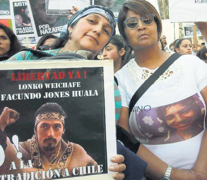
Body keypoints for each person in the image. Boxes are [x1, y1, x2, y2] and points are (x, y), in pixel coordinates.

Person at [7, 5, 148, 180]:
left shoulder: (106, 82)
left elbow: (103, 137)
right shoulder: (25, 59)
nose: (97, 30)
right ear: (71, 27)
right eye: (91, 21)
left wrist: (109, 164)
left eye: (106, 31)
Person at [115, 0, 207, 179]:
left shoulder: (192, 64)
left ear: (158, 26)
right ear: (124, 35)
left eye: (147, 20)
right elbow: (125, 138)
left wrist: (201, 171)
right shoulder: (120, 80)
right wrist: (171, 174)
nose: (141, 26)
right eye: (132, 24)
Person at [0, 103, 98, 176]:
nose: (50, 134)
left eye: (56, 127)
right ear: (35, 129)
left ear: (63, 130)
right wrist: (1, 124)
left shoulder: (76, 152)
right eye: (44, 126)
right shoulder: (19, 150)